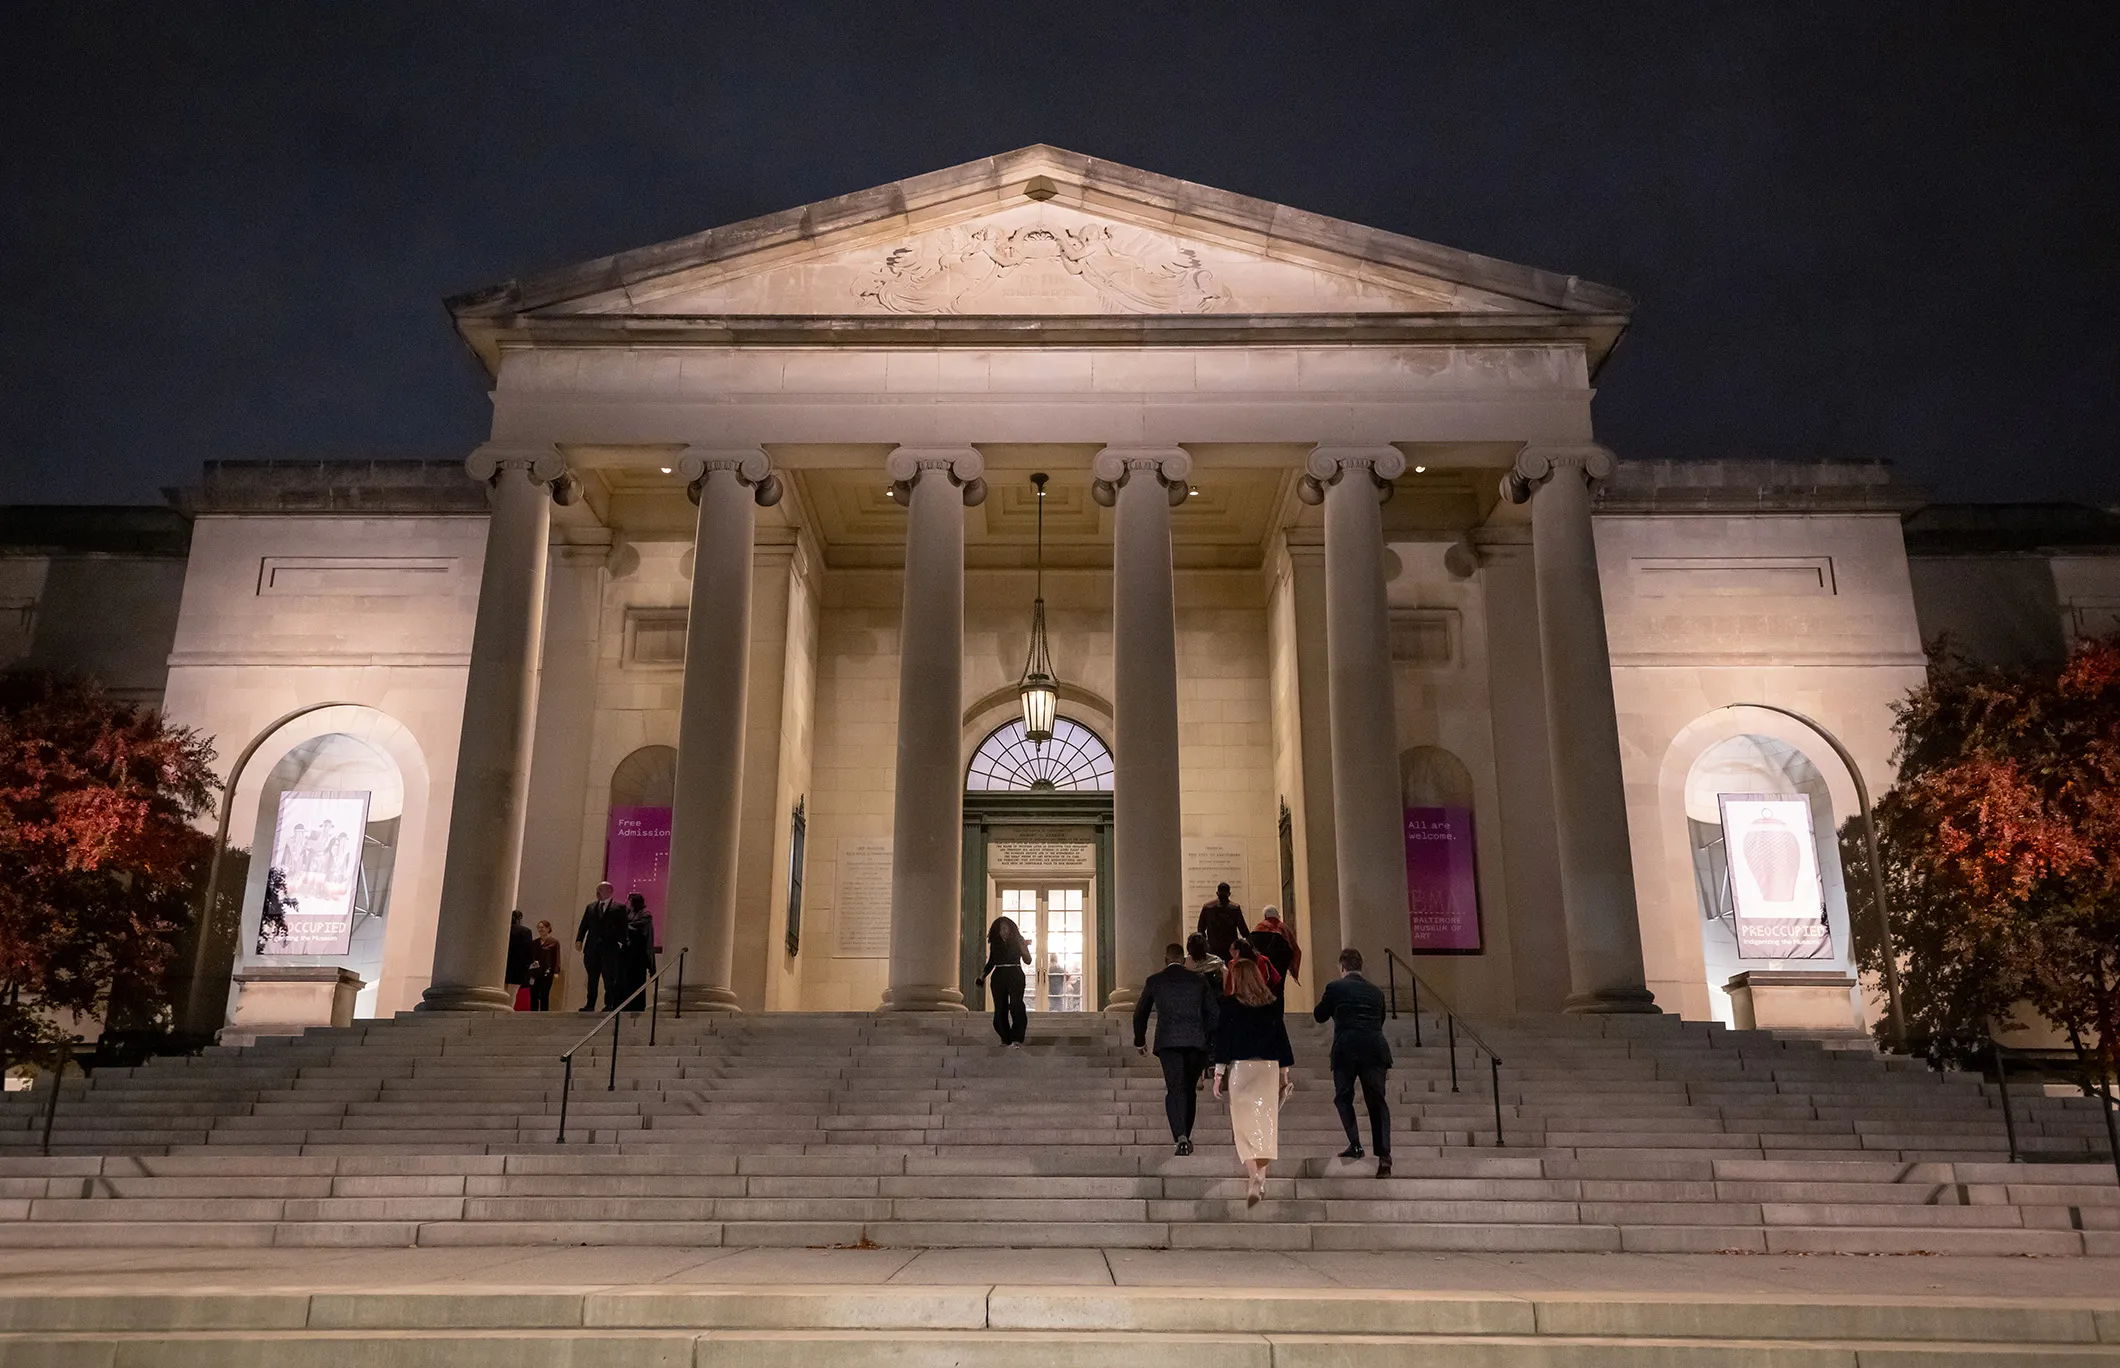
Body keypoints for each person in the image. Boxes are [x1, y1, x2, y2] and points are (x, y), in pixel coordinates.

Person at [1212, 943, 1294, 1206]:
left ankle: (1253, 1176)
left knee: (1243, 1125)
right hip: (1268, 1068)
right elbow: (1281, 1039)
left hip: (1241, 1068)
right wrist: (1284, 1073)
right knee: (1266, 1123)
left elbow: (1223, 1041)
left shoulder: (1229, 1006)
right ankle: (1262, 1176)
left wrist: (1218, 1075)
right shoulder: (1272, 1005)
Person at [1132, 942, 1220, 1154]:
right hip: (1195, 1042)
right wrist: (1209, 1043)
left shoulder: (1155, 981)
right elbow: (1214, 1014)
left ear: (1166, 959)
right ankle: (1186, 1135)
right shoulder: (1199, 980)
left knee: (1174, 1089)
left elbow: (1140, 1013)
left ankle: (1180, 1136)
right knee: (1189, 1090)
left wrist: (1140, 1040)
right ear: (1184, 960)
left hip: (1168, 1042)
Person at [1314, 947, 1393, 1177]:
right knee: (1377, 1102)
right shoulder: (1376, 992)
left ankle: (1355, 1144)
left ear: (1342, 967)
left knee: (1343, 1096)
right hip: (1375, 1050)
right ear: (1360, 966)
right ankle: (1384, 1156)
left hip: (1346, 1049)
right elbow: (1380, 1019)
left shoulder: (1335, 988)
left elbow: (1319, 1015)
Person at [980, 916, 1032, 1047]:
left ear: (1010, 928)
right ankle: (1005, 1037)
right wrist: (982, 976)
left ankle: (1017, 1038)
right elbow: (991, 961)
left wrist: (1023, 947)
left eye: (1005, 928)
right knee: (1000, 1008)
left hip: (1015, 974)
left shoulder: (1019, 940)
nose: (1003, 931)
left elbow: (1028, 960)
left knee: (1016, 1005)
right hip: (999, 975)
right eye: (1000, 929)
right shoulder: (995, 943)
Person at [575, 882, 620, 1011]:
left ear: (609, 891)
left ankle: (609, 1004)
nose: (597, 893)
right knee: (592, 978)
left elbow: (622, 927)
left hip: (609, 949)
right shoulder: (590, 907)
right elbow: (584, 925)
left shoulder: (618, 908)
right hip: (592, 949)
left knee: (608, 978)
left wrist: (621, 942)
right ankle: (590, 1004)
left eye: (600, 890)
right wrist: (579, 939)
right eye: (597, 890)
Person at [1247, 905, 1302, 996]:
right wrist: (1293, 968)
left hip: (1262, 965)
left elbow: (1250, 947)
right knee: (1278, 990)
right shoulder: (1283, 928)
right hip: (1280, 965)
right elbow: (1294, 949)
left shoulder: (1258, 928)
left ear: (1265, 916)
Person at [622, 892, 657, 1012]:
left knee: (636, 982)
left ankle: (636, 1006)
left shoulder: (646, 915)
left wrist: (623, 926)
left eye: (629, 901)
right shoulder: (628, 913)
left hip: (639, 955)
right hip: (627, 954)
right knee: (625, 982)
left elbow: (636, 929)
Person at [1196, 882, 1248, 961]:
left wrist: (1205, 945)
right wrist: (1250, 943)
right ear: (1229, 894)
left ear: (1217, 893)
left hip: (1213, 945)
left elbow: (1201, 928)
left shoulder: (1208, 907)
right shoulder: (1234, 908)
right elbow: (1243, 929)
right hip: (1230, 947)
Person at [529, 920, 561, 1012]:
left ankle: (544, 1013)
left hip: (547, 971)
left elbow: (557, 957)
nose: (540, 929)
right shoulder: (534, 942)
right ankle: (533, 1014)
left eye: (542, 927)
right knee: (534, 994)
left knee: (544, 994)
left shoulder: (554, 942)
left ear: (548, 928)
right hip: (535, 972)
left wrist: (556, 971)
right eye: (538, 928)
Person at [505, 910, 534, 1011]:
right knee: (512, 994)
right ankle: (507, 1012)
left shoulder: (504, 929)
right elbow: (528, 950)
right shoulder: (525, 931)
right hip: (517, 968)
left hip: (503, 966)